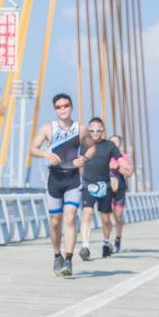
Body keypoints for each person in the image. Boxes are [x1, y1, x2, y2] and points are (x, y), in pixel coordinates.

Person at [29, 93, 92, 276]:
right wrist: (45, 154)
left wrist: (85, 158)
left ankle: (69, 260)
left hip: (73, 179)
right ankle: (57, 255)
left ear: (71, 107)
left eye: (66, 106)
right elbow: (32, 149)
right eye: (59, 107)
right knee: (56, 222)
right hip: (55, 179)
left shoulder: (81, 129)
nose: (63, 109)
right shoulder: (48, 128)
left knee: (70, 218)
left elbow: (91, 147)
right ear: (55, 110)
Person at [75, 119, 123, 260]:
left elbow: (120, 159)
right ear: (88, 131)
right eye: (92, 130)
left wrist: (126, 168)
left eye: (98, 130)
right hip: (88, 184)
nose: (95, 133)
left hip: (105, 186)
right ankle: (85, 247)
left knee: (106, 219)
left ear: (103, 131)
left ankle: (106, 243)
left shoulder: (110, 146)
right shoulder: (83, 145)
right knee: (87, 213)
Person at [107, 134, 135, 253]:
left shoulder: (124, 157)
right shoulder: (105, 156)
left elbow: (129, 173)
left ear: (120, 144)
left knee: (118, 216)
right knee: (107, 216)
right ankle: (107, 242)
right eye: (111, 142)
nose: (114, 144)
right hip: (106, 187)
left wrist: (117, 167)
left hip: (120, 187)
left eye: (116, 142)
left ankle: (118, 240)